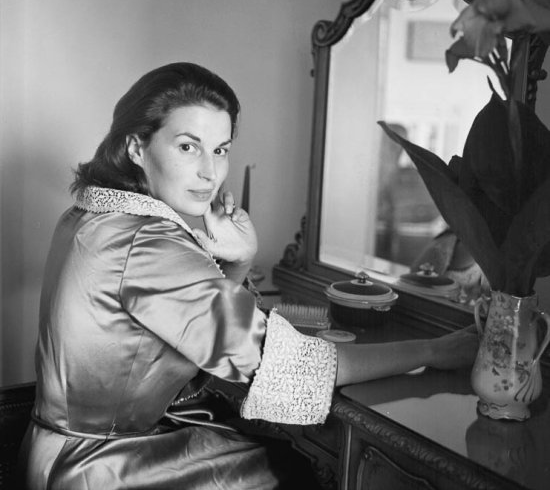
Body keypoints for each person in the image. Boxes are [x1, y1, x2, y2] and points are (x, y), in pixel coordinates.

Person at [18, 62, 479, 489]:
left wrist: (238, 261)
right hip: (103, 469)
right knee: (292, 471)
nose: (209, 173)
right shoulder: (148, 242)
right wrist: (432, 349)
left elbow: (196, 322)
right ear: (137, 146)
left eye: (220, 149)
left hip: (58, 455)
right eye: (187, 146)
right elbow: (286, 364)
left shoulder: (94, 214)